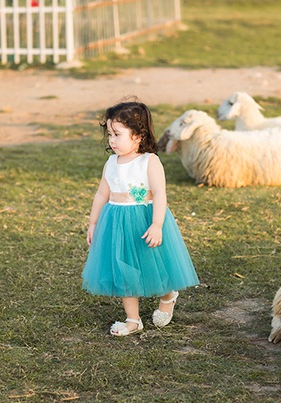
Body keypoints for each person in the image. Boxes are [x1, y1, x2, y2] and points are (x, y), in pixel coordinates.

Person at [82, 100, 200, 336]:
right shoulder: (111, 163)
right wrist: (93, 223)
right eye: (109, 135)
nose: (112, 140)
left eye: (117, 134)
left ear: (137, 135)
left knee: (152, 263)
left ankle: (168, 295)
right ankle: (133, 319)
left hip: (144, 220)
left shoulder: (149, 161)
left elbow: (159, 194)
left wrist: (157, 225)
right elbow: (101, 194)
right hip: (115, 223)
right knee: (123, 268)